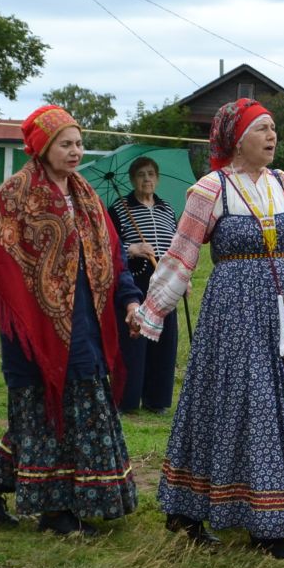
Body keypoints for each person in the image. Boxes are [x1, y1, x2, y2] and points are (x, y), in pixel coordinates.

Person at [0, 107, 144, 537]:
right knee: (45, 415)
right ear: (41, 147)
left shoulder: (87, 196)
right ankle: (55, 515)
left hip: (85, 327)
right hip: (35, 334)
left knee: (59, 415)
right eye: (65, 144)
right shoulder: (16, 197)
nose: (75, 152)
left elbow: (114, 255)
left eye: (78, 143)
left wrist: (128, 302)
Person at [137, 98, 284, 560]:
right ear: (237, 139)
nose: (272, 136)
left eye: (274, 128)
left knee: (269, 405)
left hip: (275, 311)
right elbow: (181, 255)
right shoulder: (210, 189)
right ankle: (196, 513)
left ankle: (265, 516)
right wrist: (152, 310)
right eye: (262, 129)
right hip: (230, 314)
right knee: (219, 402)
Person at [108, 155, 181, 413]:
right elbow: (110, 246)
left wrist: (182, 275)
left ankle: (157, 400)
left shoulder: (168, 210)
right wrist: (132, 248)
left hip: (165, 281)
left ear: (157, 179)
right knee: (134, 340)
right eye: (141, 174)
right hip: (135, 280)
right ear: (132, 179)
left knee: (164, 339)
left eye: (151, 173)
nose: (147, 178)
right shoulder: (119, 208)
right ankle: (126, 400)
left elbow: (178, 245)